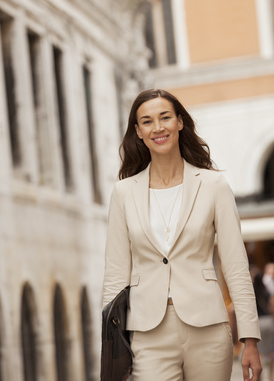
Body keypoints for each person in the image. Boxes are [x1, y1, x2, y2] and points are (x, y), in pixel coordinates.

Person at [102, 88, 262, 381]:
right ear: (138, 131)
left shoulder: (213, 185)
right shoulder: (123, 193)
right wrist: (112, 346)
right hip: (148, 332)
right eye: (147, 121)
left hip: (208, 328)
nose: (158, 127)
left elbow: (236, 266)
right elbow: (115, 274)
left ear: (180, 122)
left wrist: (249, 338)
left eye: (165, 118)